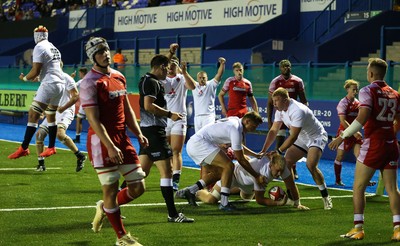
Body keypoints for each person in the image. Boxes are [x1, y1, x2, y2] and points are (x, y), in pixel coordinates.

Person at [81, 37, 148, 245]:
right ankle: (121, 237)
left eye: (106, 50)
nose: (106, 54)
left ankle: (105, 207)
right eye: (100, 51)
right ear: (93, 56)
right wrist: (110, 146)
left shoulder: (119, 76)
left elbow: (127, 108)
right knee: (110, 188)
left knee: (138, 186)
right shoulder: (89, 83)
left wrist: (138, 132)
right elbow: (93, 118)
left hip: (123, 137)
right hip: (101, 142)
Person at [329, 58, 400, 241]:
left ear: (371, 73)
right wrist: (390, 135)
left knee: (358, 187)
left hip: (374, 144)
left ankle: (358, 228)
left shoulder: (367, 90)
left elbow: (362, 118)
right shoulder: (394, 93)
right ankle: (398, 229)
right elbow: (398, 120)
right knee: (393, 188)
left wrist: (342, 136)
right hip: (391, 144)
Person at [138, 43, 194, 223]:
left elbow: (164, 64)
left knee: (141, 173)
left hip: (150, 129)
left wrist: (170, 53)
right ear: (160, 68)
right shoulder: (153, 82)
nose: (167, 71)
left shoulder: (148, 78)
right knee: (168, 171)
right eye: (165, 68)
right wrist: (170, 114)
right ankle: (173, 214)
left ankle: (111, 204)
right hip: (155, 131)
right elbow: (148, 106)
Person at [176, 111, 268, 211]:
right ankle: (224, 203)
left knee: (220, 172)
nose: (254, 129)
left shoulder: (236, 122)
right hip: (200, 145)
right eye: (254, 126)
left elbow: (238, 146)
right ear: (247, 121)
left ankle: (191, 190)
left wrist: (255, 155)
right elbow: (240, 158)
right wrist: (256, 176)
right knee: (229, 166)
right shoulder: (236, 129)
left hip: (196, 144)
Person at [260, 87, 333, 210]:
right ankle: (294, 198)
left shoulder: (297, 110)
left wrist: (278, 151)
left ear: (285, 99)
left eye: (276, 101)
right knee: (286, 163)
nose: (274, 104)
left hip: (316, 136)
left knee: (310, 165)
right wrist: (264, 149)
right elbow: (273, 130)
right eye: (273, 101)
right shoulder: (280, 110)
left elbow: (293, 137)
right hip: (302, 138)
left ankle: (326, 197)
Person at [8, 25, 64, 160]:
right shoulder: (53, 47)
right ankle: (51, 147)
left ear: (36, 36)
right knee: (51, 115)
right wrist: (39, 78)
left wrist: (25, 79)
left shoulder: (39, 47)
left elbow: (36, 70)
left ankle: (24, 147)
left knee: (33, 114)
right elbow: (51, 68)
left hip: (49, 84)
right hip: (60, 84)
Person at [196, 152, 310, 210]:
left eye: (281, 171)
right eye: (277, 171)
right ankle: (198, 192)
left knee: (246, 198)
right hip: (233, 176)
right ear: (270, 165)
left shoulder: (282, 167)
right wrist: (279, 203)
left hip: (247, 183)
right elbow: (260, 200)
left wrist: (297, 203)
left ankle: (234, 191)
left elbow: (291, 185)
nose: (279, 174)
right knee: (211, 200)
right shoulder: (262, 173)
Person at [35, 63, 87, 172]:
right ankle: (41, 164)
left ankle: (79, 155)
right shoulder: (48, 79)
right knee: (39, 135)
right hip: (54, 111)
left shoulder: (67, 78)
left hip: (66, 110)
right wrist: (42, 111)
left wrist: (63, 108)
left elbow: (75, 96)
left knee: (60, 134)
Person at [267, 60, 308, 180]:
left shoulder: (298, 81)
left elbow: (304, 100)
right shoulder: (275, 82)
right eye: (284, 66)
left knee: (292, 143)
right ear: (280, 68)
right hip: (281, 116)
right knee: (280, 143)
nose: (287, 68)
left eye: (288, 66)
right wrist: (269, 120)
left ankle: (292, 169)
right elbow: (270, 102)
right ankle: (276, 168)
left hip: (293, 118)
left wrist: (304, 115)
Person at [162, 56, 195, 191]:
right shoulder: (162, 80)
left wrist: (184, 72)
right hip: (164, 118)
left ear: (177, 67)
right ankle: (168, 177)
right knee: (166, 152)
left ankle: (175, 181)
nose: (170, 67)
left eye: (173, 65)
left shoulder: (182, 79)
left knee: (176, 151)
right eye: (169, 65)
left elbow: (192, 86)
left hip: (179, 119)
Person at [332, 79, 362, 186]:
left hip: (354, 132)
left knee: (360, 156)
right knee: (340, 157)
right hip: (344, 132)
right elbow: (343, 121)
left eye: (356, 89)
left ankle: (362, 180)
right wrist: (353, 132)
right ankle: (338, 180)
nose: (355, 91)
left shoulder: (358, 103)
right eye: (353, 89)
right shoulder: (343, 103)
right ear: (347, 89)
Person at [192, 57, 226, 132]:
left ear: (207, 78)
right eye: (200, 78)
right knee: (199, 138)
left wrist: (222, 64)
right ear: (197, 79)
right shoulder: (194, 86)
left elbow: (219, 75)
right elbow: (185, 76)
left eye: (203, 78)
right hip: (197, 117)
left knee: (209, 137)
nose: (202, 79)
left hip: (208, 117)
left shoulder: (211, 84)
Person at [72, 67, 89, 144]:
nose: (79, 75)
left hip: (85, 102)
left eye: (80, 73)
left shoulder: (81, 81)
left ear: (82, 73)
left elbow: (72, 86)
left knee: (79, 119)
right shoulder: (91, 80)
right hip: (92, 103)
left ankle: (77, 137)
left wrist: (71, 78)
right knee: (94, 120)